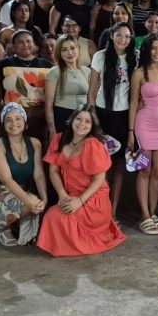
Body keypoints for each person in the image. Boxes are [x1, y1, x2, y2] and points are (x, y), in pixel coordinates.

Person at [38, 105, 127, 257]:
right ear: (72, 120)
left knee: (56, 217)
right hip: (70, 195)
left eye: (87, 121)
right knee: (52, 216)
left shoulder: (93, 144)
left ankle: (74, 245)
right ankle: (66, 244)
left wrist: (80, 201)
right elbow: (53, 171)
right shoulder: (59, 139)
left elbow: (100, 178)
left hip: (92, 199)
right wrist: (62, 194)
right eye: (78, 119)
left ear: (92, 126)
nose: (82, 124)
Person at [0, 103, 48, 246]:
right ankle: (0, 226)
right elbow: (7, 180)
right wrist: (29, 202)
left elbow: (39, 175)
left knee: (37, 204)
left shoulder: (35, 143)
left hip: (19, 192)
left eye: (18, 118)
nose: (14, 123)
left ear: (25, 122)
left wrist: (44, 199)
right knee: (30, 205)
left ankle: (15, 223)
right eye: (8, 120)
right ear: (3, 125)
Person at [128, 34, 158, 234]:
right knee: (144, 171)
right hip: (144, 125)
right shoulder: (139, 73)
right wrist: (130, 132)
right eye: (154, 48)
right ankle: (144, 215)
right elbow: (133, 102)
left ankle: (153, 212)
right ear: (147, 50)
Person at [88, 22, 137, 219]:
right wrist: (93, 117)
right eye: (119, 35)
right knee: (101, 166)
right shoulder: (100, 56)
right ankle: (99, 210)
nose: (123, 40)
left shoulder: (136, 56)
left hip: (124, 116)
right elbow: (92, 90)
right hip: (103, 114)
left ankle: (112, 212)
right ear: (111, 36)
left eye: (127, 36)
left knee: (119, 167)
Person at [0, 29, 53, 140]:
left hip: (41, 120)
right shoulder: (2, 65)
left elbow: (54, 95)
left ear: (34, 44)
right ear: (13, 46)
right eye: (20, 42)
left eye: (28, 41)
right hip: (12, 121)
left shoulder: (47, 66)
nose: (25, 45)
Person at [45, 35, 92, 142]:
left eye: (72, 48)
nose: (70, 53)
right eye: (64, 50)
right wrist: (52, 130)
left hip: (83, 120)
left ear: (78, 49)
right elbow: (48, 105)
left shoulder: (87, 71)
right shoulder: (54, 72)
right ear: (59, 53)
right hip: (62, 117)